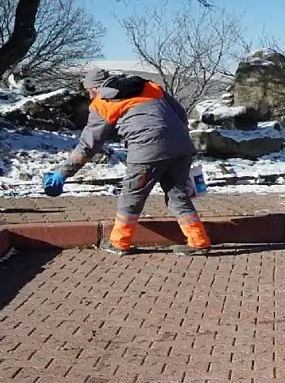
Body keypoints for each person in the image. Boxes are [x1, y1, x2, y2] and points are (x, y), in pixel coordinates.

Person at [42, 69, 212, 256]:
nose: (90, 96)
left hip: (146, 150)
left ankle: (119, 242)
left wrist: (62, 173)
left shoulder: (102, 103)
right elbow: (180, 113)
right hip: (181, 147)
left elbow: (88, 146)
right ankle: (198, 241)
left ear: (96, 88)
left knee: (132, 196)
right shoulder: (149, 86)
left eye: (90, 91)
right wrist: (174, 137)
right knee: (178, 195)